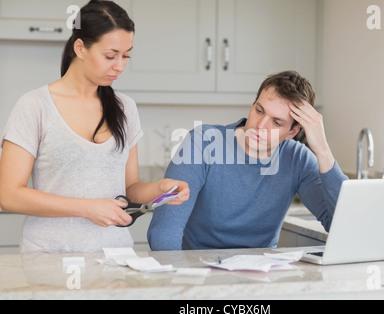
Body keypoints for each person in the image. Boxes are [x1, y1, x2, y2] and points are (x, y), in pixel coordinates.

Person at [0, 0, 189, 254]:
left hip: (115, 259)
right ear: (80, 48)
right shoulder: (35, 106)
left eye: (126, 56)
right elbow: (9, 195)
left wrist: (161, 188)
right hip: (48, 261)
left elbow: (130, 188)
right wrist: (87, 208)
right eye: (110, 56)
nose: (120, 66)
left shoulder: (125, 107)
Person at [148, 70, 348, 251]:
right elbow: (164, 232)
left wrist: (322, 150)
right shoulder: (203, 142)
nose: (260, 126)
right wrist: (181, 281)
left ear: (292, 132)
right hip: (198, 271)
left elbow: (344, 226)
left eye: (277, 122)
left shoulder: (298, 158)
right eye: (259, 111)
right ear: (252, 105)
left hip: (261, 275)